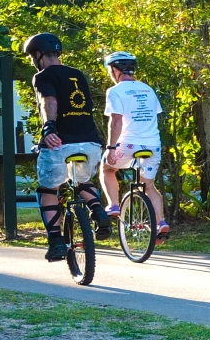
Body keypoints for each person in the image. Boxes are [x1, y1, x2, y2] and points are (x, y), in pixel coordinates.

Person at [23, 33, 112, 262]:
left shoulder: (42, 76)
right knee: (82, 181)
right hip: (91, 142)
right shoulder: (77, 74)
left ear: (37, 55)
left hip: (61, 142)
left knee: (47, 190)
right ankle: (98, 211)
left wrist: (49, 127)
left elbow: (48, 101)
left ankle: (55, 242)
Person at [98, 51, 168, 243]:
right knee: (149, 186)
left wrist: (111, 148)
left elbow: (116, 121)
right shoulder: (148, 89)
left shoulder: (115, 91)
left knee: (107, 168)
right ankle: (160, 222)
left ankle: (113, 205)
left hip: (128, 143)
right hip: (153, 144)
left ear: (114, 70)